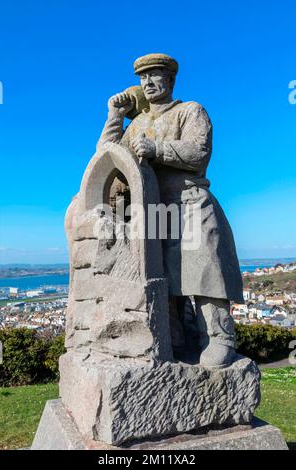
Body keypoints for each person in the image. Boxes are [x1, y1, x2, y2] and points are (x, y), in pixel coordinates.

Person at [97, 53, 244, 368]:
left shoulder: (190, 111)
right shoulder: (137, 124)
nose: (147, 83)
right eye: (142, 78)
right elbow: (107, 159)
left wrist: (157, 149)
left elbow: (198, 152)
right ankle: (174, 336)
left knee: (204, 272)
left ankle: (218, 338)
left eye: (154, 75)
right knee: (162, 277)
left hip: (190, 200)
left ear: (171, 79)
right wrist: (114, 116)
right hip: (153, 210)